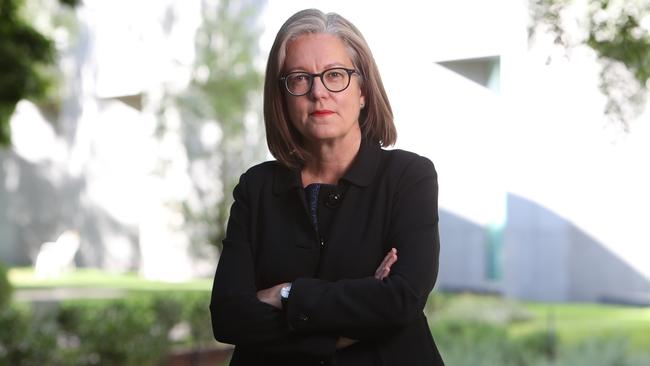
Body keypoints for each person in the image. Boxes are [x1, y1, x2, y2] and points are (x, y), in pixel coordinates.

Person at [210, 8, 444, 366]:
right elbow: (228, 317)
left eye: (335, 75)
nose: (318, 92)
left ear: (363, 90)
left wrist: (284, 294)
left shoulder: (409, 177)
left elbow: (400, 301)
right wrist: (351, 322)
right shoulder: (255, 188)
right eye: (300, 78)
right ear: (282, 97)